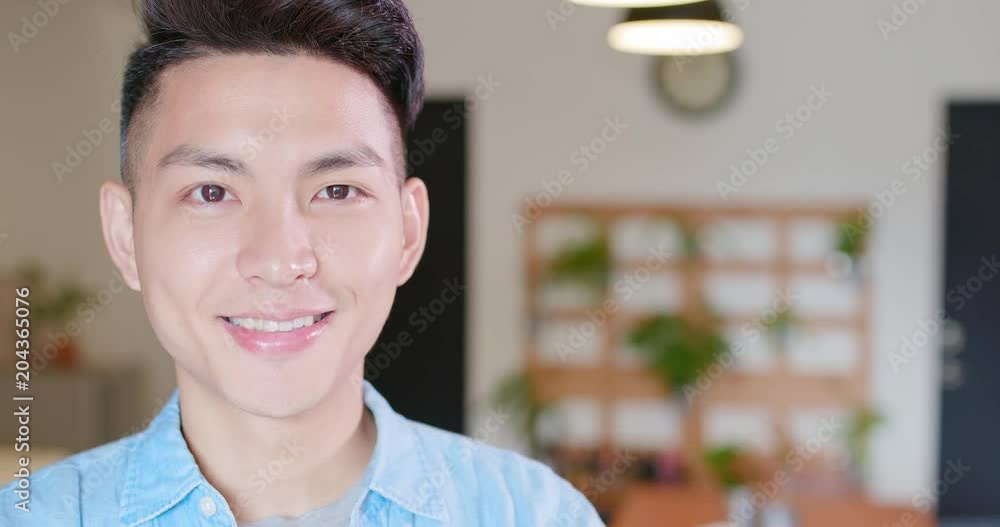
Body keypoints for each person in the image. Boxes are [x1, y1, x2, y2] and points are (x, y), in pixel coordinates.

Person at [1, 1, 604, 525]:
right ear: (124, 235)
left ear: (408, 231)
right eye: (212, 192)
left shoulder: (536, 514)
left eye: (337, 191)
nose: (279, 261)